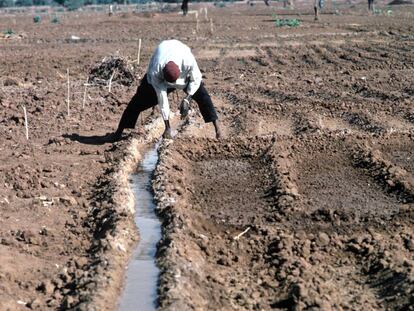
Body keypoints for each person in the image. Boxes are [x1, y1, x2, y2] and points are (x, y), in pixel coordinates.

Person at [109, 39, 221, 141]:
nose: (172, 87)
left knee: (203, 96)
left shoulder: (187, 60)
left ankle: (218, 130)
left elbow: (196, 79)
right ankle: (119, 132)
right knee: (138, 101)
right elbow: (162, 98)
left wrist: (187, 98)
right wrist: (167, 127)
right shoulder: (156, 71)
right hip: (160, 79)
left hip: (183, 77)